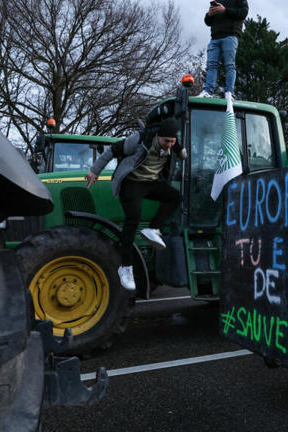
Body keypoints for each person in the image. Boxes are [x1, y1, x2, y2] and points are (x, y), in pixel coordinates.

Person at [85, 118, 187, 290]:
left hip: (151, 183)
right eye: (166, 141)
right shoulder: (140, 140)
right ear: (158, 137)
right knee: (133, 219)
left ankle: (153, 228)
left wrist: (182, 151)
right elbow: (113, 150)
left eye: (172, 141)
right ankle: (125, 267)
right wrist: (95, 171)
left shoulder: (174, 144)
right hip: (131, 183)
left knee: (175, 197)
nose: (169, 145)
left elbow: (182, 153)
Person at [196, 0, 249, 98]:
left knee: (229, 65)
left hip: (230, 35)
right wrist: (209, 14)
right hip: (215, 37)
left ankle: (229, 93)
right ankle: (208, 92)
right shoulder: (217, 1)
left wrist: (225, 10)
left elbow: (243, 13)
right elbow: (208, 22)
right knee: (211, 65)